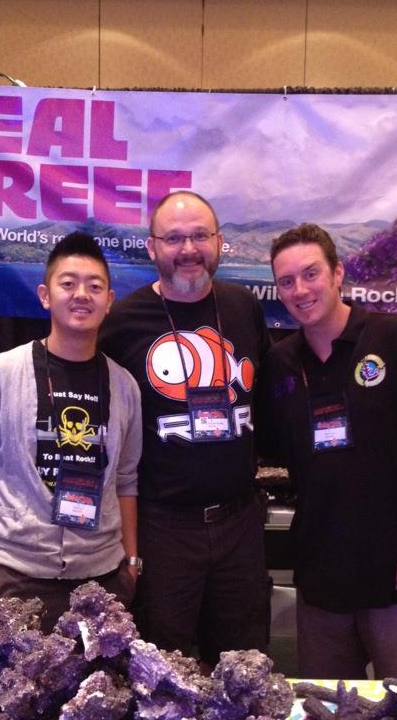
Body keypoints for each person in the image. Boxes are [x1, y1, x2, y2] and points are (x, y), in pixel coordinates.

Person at [262, 223, 397, 679]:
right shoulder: (279, 364)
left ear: (337, 273)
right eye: (286, 281)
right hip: (322, 582)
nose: (300, 290)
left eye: (311, 274)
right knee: (328, 713)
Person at [98, 190, 271, 667]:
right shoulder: (122, 323)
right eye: (174, 238)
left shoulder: (243, 307)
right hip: (163, 529)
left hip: (239, 524)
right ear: (152, 247)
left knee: (243, 667)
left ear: (218, 242)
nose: (188, 249)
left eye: (200, 236)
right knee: (162, 669)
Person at [0, 232, 142, 633]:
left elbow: (126, 479)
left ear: (109, 301)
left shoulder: (124, 386)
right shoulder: (0, 374)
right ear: (45, 295)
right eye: (68, 283)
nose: (81, 294)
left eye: (94, 286)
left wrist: (132, 561)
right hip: (19, 578)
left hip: (103, 581)